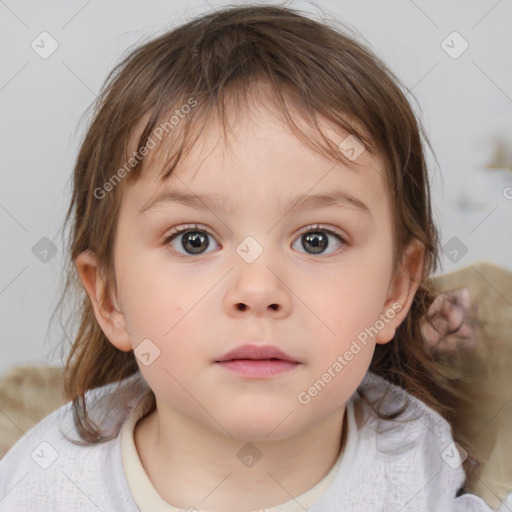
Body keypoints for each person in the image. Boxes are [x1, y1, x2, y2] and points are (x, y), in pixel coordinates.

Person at [0, 5, 507, 511]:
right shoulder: (44, 489)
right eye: (193, 240)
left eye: (317, 240)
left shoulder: (424, 476)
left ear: (396, 290)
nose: (258, 291)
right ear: (109, 297)